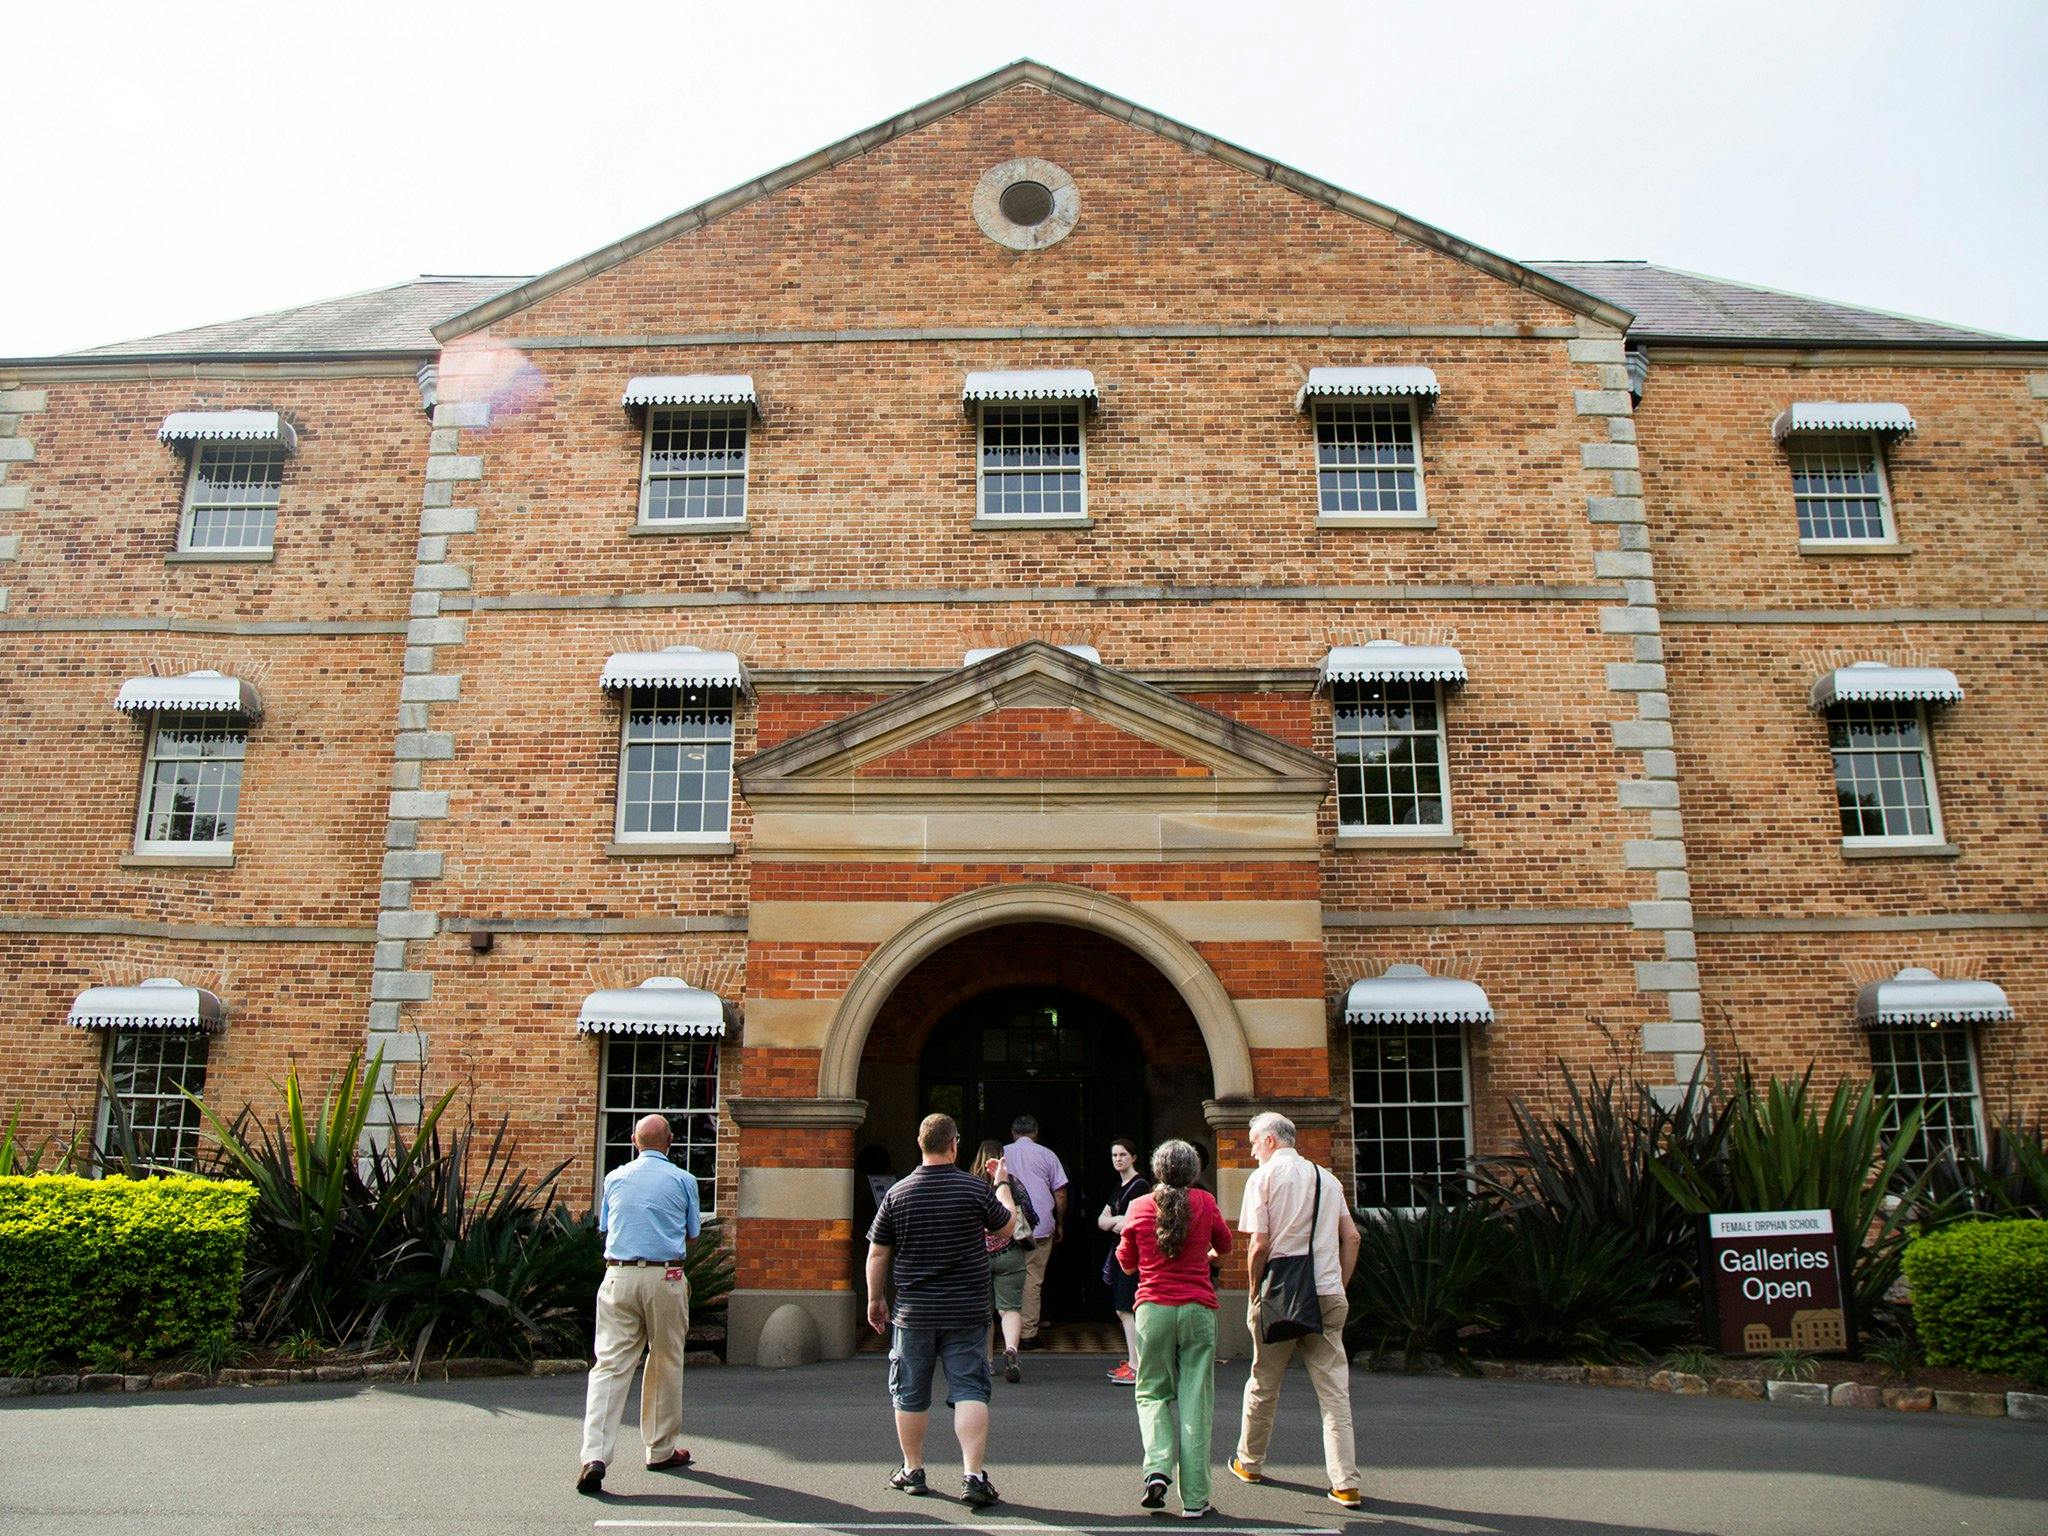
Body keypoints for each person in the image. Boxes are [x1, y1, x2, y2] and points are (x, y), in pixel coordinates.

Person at [866, 1112, 1013, 1509]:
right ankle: (972, 1475)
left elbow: (878, 1251)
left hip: (914, 1312)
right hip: (966, 1310)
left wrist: (875, 1298)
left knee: (909, 1393)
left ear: (919, 1143)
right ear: (954, 1145)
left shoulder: (898, 1193)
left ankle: (913, 1470)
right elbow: (1006, 1228)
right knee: (970, 1390)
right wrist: (1001, 1183)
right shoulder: (973, 1189)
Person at [1229, 1112, 1364, 1509]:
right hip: (1326, 1290)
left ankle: (1250, 1463)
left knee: (1263, 1383)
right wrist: (1338, 1283)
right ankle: (1345, 1483)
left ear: (1270, 1140)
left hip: (1281, 1295)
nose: (1252, 1150)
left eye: (1254, 1141)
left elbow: (1259, 1244)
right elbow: (1352, 1237)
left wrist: (1255, 1292)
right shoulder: (1328, 1178)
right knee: (1334, 1393)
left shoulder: (1264, 1177)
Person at [577, 1113, 703, 1497]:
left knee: (610, 1365)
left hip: (618, 1275)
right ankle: (660, 1449)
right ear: (670, 1142)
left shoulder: (615, 1178)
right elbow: (693, 1235)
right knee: (665, 1360)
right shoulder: (684, 1180)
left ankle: (594, 1456)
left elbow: (606, 1228)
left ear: (634, 1140)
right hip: (665, 1276)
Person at [1117, 1139, 1233, 1520]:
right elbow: (1225, 1245)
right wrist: (1203, 1253)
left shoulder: (1139, 1206)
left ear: (1156, 1171)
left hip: (1153, 1309)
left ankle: (1157, 1471)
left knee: (1151, 1393)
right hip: (1198, 1308)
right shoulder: (1205, 1203)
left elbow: (1127, 1263)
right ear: (1194, 1171)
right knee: (1196, 1401)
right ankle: (1196, 1498)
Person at [1002, 1114, 1069, 1348]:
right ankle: (1027, 1334)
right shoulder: (1048, 1155)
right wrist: (1059, 1223)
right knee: (1032, 1279)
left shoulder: (1001, 1153)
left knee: (1005, 1277)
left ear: (1013, 1133)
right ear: (1036, 1133)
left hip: (1006, 1225)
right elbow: (1060, 1194)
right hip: (1039, 1228)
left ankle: (1004, 1330)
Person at [971, 1139, 1029, 1383]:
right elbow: (1031, 1214)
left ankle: (987, 1362)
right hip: (1010, 1252)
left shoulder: (970, 1184)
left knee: (984, 1312)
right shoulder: (1012, 1183)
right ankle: (1011, 1350)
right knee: (1010, 1309)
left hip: (978, 1256)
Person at [1096, 1136, 1148, 1384]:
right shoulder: (1119, 1187)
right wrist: (1116, 1221)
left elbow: (1130, 1222)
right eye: (1115, 1155)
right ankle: (1133, 1362)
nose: (1118, 1159)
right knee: (1123, 1308)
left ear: (1133, 1157)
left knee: (1127, 1308)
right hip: (1119, 1251)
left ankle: (1136, 1366)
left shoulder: (1140, 1186)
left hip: (1133, 1253)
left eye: (1123, 1155)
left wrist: (1115, 1221)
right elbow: (1102, 1220)